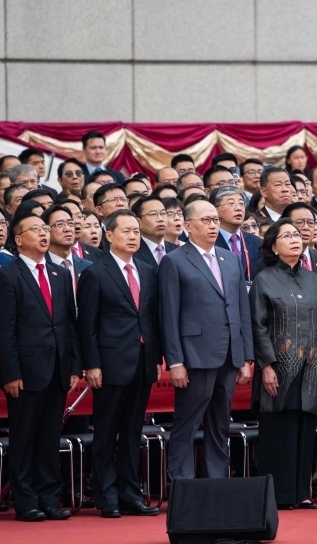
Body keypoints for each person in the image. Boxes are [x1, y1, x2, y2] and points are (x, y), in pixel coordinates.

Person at [158, 199, 254, 481]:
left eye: (215, 220)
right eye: (206, 220)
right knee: (186, 424)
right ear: (187, 226)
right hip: (194, 355)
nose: (213, 225)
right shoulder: (174, 261)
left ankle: (216, 484)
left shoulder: (230, 259)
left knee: (220, 425)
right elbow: (168, 315)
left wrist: (246, 356)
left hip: (228, 355)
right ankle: (182, 485)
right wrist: (175, 361)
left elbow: (240, 311)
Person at [77, 210, 161, 518]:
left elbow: (151, 319)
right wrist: (92, 364)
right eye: (126, 231)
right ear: (109, 235)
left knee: (132, 431)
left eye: (136, 231)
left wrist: (156, 357)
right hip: (110, 363)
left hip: (142, 361)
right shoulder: (95, 273)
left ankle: (129, 494)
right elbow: (87, 325)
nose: (133, 236)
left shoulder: (148, 271)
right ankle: (107, 496)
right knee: (106, 432)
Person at [0, 211, 80, 521]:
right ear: (19, 239)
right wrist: (11, 372)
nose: (44, 233)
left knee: (49, 438)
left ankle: (49, 498)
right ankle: (26, 501)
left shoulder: (59, 274)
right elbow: (5, 331)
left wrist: (74, 366)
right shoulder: (9, 276)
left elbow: (68, 325)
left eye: (45, 228)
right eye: (36, 229)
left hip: (58, 369)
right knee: (24, 438)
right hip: (26, 372)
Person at [250, 219, 317, 509]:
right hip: (279, 367)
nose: (294, 240)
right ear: (274, 246)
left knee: (305, 429)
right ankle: (279, 494)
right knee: (279, 431)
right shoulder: (264, 278)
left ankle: (302, 491)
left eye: (297, 235)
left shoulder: (313, 279)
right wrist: (267, 366)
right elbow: (258, 326)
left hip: (313, 365)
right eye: (286, 236)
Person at [211, 187, 261, 284]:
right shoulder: (208, 242)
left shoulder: (257, 242)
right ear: (215, 209)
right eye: (231, 203)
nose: (238, 208)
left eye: (241, 204)